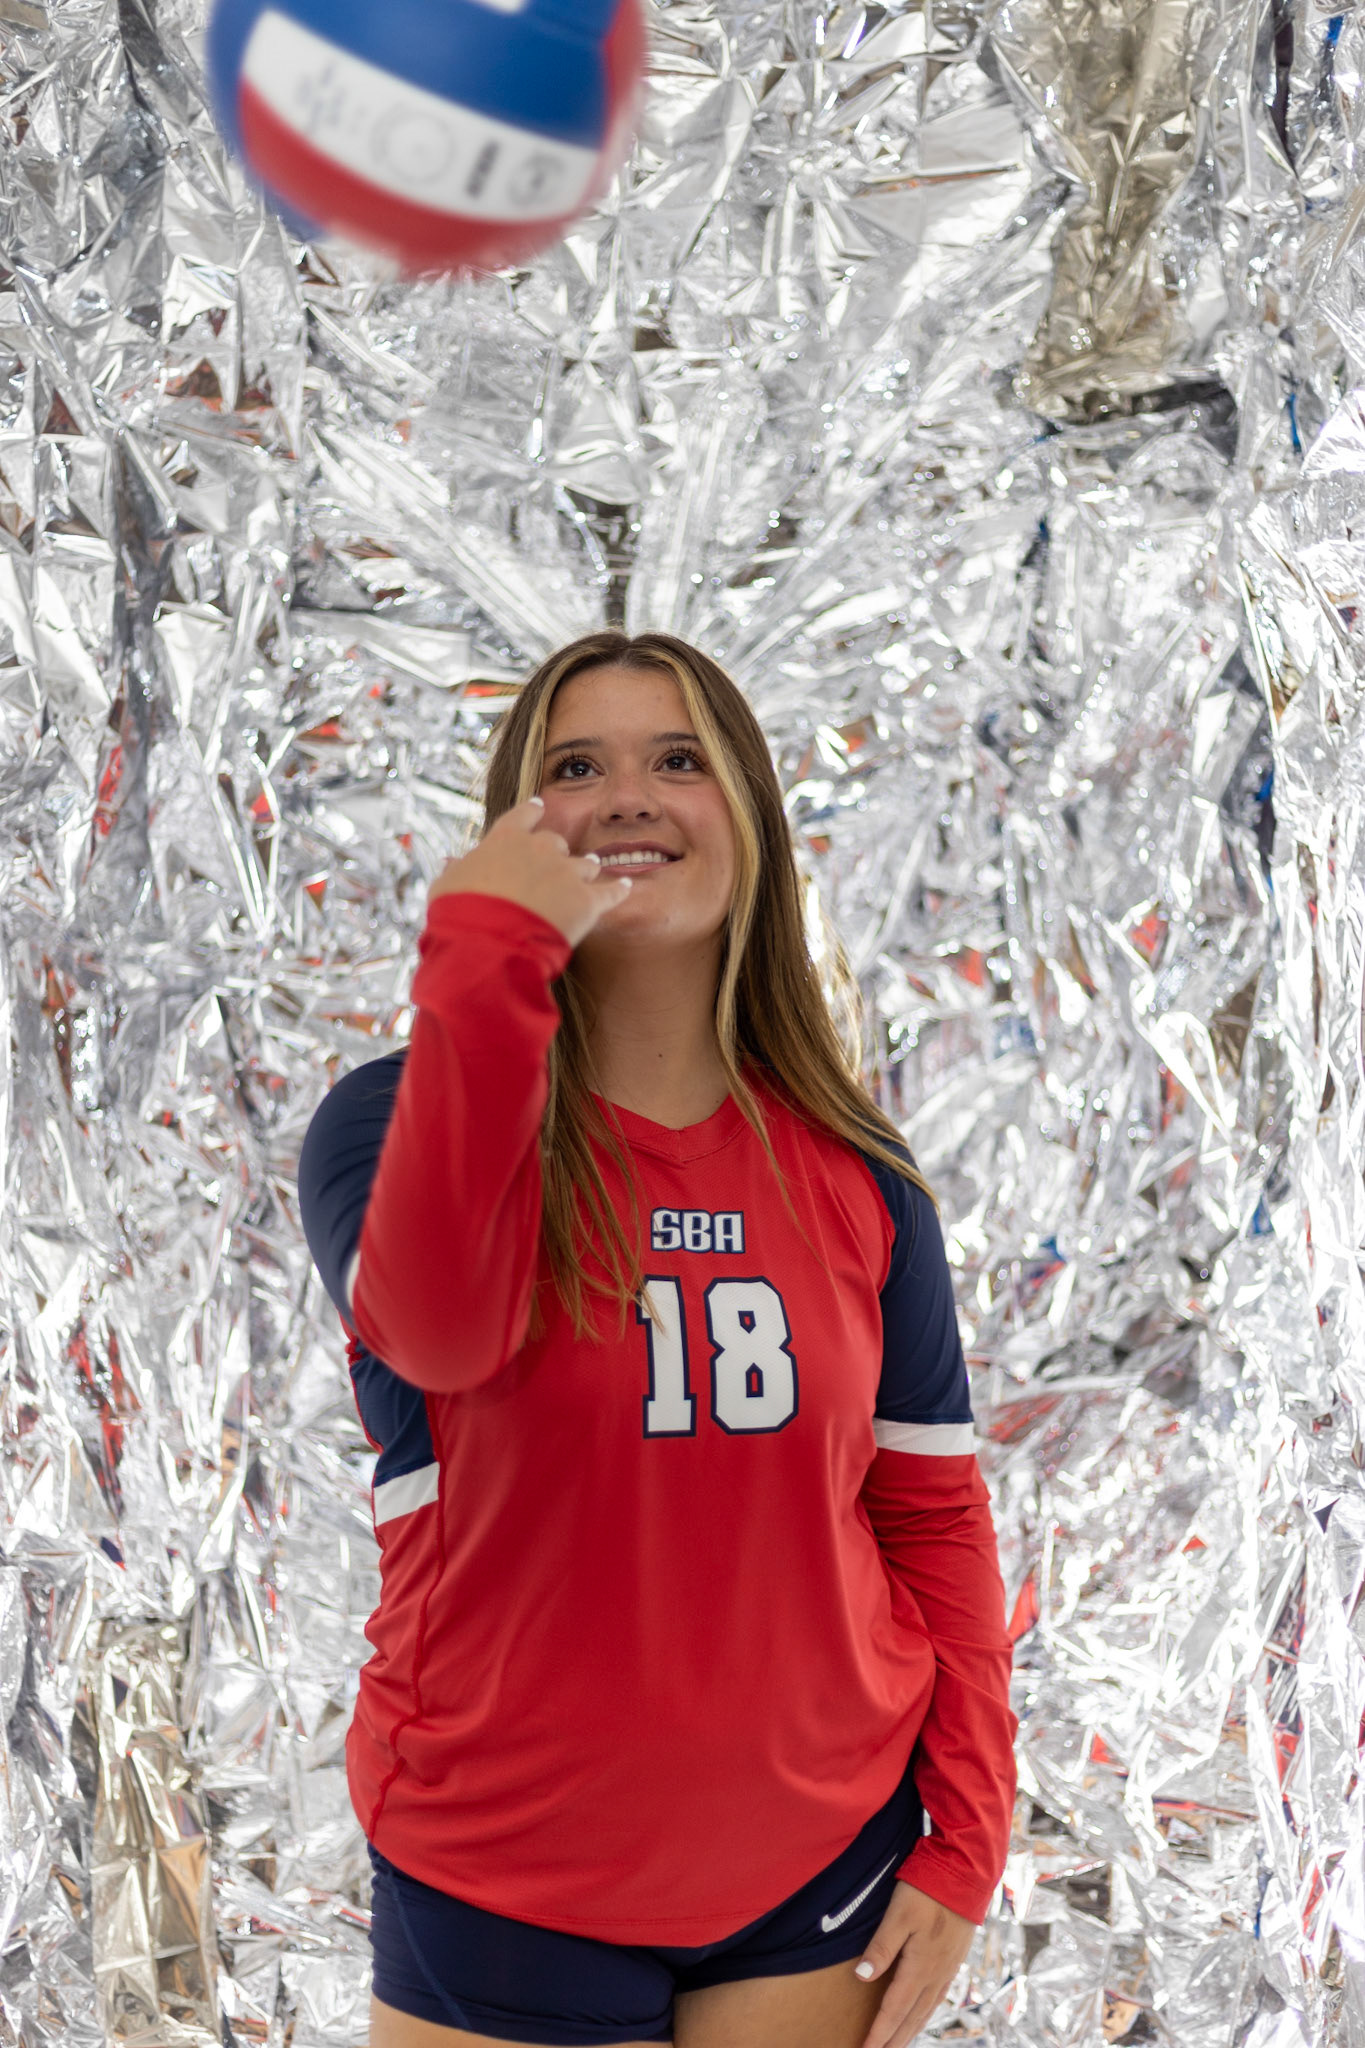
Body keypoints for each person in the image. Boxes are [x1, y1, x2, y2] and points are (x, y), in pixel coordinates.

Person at [298, 630, 1017, 2048]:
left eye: (677, 759)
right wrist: (490, 955)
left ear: (746, 813)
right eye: (576, 768)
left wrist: (968, 1837)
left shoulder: (862, 1176)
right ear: (517, 830)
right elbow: (437, 1329)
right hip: (504, 1872)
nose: (628, 795)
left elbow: (930, 1517)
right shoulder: (390, 1121)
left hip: (819, 1866)